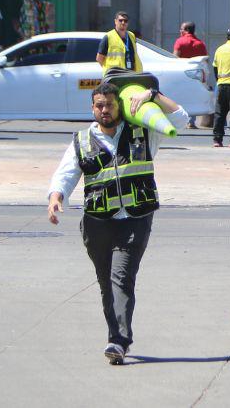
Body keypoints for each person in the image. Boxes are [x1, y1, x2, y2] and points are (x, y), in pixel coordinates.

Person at [47, 81, 188, 363]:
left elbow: (181, 118)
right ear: (92, 108)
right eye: (99, 105)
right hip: (97, 223)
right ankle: (115, 334)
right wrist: (55, 197)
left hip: (134, 219)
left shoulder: (143, 132)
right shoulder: (82, 140)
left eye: (110, 105)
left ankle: (119, 340)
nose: (105, 110)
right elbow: (65, 174)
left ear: (118, 106)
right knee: (106, 283)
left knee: (121, 278)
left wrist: (154, 95)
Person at [173, 22, 208, 129]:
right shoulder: (200, 43)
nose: (180, 31)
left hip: (181, 73)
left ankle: (180, 119)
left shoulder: (180, 41)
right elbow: (205, 60)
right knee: (193, 96)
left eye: (181, 29)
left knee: (179, 96)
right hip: (196, 74)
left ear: (186, 30)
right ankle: (191, 121)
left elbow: (175, 57)